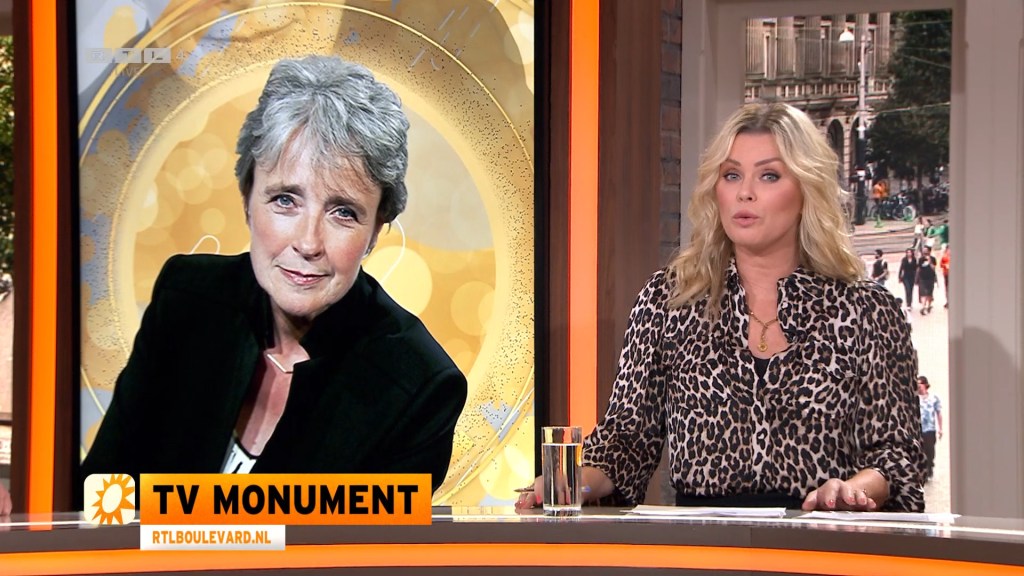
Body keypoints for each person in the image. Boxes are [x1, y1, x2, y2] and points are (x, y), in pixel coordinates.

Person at [80, 56, 467, 496]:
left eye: (343, 212)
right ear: (248, 198)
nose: (308, 242)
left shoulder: (420, 389)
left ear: (376, 229)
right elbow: (102, 496)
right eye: (285, 200)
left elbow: (359, 545)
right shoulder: (185, 298)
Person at [516, 102, 924, 512]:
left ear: (806, 190)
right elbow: (625, 444)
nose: (745, 192)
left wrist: (851, 491)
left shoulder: (869, 311)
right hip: (702, 542)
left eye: (768, 175)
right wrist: (571, 487)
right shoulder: (668, 301)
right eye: (731, 175)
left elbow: (896, 457)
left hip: (820, 538)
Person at [917, 376, 943, 481]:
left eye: (920, 384)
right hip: (918, 430)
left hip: (930, 430)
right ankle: (922, 472)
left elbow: (939, 413)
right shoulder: (915, 398)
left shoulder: (934, 398)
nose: (918, 386)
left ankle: (929, 469)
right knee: (920, 451)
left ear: (925, 385)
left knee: (930, 451)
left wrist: (940, 429)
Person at [916, 246, 938, 315]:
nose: (924, 251)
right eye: (924, 250)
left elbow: (934, 268)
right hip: (922, 278)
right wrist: (916, 278)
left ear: (929, 251)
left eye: (926, 250)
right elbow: (919, 268)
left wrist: (930, 261)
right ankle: (923, 306)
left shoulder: (933, 259)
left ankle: (929, 305)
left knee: (929, 293)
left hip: (931, 278)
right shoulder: (921, 259)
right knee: (923, 293)